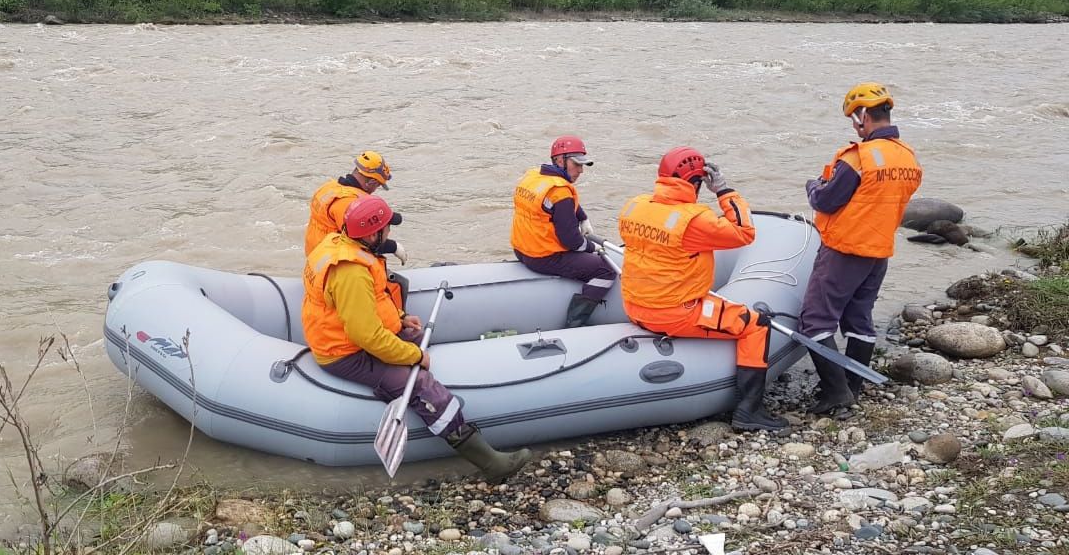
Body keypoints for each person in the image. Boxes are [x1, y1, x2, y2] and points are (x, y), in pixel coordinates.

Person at [303, 195, 532, 482]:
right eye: (387, 227)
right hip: (345, 352)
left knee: (417, 335)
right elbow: (366, 336)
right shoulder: (350, 272)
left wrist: (398, 318)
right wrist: (414, 356)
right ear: (372, 233)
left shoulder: (338, 243)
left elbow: (369, 303)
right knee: (422, 383)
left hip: (347, 334)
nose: (390, 232)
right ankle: (491, 464)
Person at [617, 147, 786, 432]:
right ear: (696, 182)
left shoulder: (635, 206)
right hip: (675, 312)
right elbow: (744, 231)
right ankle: (749, 410)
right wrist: (723, 190)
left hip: (634, 305)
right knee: (756, 325)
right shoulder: (694, 220)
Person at [800, 82, 922, 414]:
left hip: (845, 250)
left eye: (855, 117)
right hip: (878, 252)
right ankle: (853, 385)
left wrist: (813, 185)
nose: (855, 124)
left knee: (815, 321)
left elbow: (825, 200)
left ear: (863, 115)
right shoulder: (907, 156)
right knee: (859, 319)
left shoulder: (858, 158)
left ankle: (836, 392)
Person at [510, 135, 617, 328]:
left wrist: (582, 217)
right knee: (606, 270)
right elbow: (572, 241)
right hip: (543, 257)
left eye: (582, 165)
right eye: (576, 164)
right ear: (560, 160)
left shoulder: (534, 176)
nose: (581, 171)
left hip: (521, 250)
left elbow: (554, 205)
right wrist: (592, 247)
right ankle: (575, 321)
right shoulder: (560, 192)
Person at [305, 150, 407, 264]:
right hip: (333, 261)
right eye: (377, 185)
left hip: (317, 255)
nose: (374, 190)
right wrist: (394, 247)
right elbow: (363, 239)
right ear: (371, 182)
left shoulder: (329, 187)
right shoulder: (349, 204)